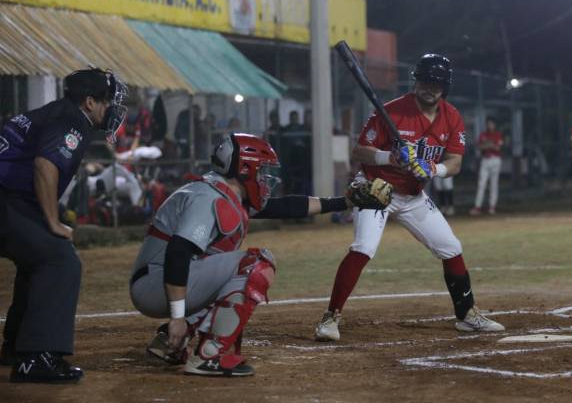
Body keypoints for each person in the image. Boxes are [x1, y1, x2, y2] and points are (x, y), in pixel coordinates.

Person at [128, 133, 385, 376]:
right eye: (261, 170)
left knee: (229, 274)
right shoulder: (208, 197)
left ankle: (168, 341)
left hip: (161, 280)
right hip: (157, 283)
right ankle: (208, 355)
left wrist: (346, 201)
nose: (265, 177)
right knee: (255, 264)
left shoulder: (221, 191)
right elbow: (178, 252)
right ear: (244, 169)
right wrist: (177, 317)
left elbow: (285, 207)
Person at [313, 53, 505, 342]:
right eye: (425, 81)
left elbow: (455, 163)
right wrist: (389, 157)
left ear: (445, 87)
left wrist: (433, 168)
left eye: (436, 84)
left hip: (412, 195)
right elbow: (360, 151)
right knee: (364, 247)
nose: (429, 88)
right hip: (376, 188)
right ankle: (331, 317)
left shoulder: (452, 116)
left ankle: (466, 315)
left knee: (450, 247)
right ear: (416, 82)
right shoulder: (391, 111)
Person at [0, 68, 127, 383]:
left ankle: (18, 347)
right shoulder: (72, 120)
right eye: (106, 102)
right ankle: (37, 357)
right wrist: (53, 221)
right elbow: (45, 166)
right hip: (6, 198)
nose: (110, 109)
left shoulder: (57, 111)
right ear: (89, 102)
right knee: (60, 260)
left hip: (10, 198)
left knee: (38, 257)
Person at [470, 117, 504, 216]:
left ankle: (492, 207)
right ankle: (477, 207)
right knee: (481, 184)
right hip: (485, 160)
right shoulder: (483, 134)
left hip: (496, 160)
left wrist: (488, 145)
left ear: (495, 125)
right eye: (488, 124)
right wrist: (490, 144)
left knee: (494, 184)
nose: (490, 125)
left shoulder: (498, 134)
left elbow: (498, 148)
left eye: (491, 124)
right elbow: (479, 146)